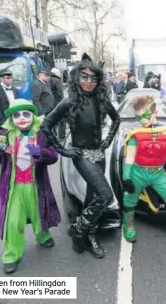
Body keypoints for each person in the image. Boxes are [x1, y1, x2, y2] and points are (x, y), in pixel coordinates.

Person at [40, 53, 120, 258]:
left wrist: (108, 140)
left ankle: (89, 237)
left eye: (93, 78)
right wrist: (63, 150)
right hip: (81, 155)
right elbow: (46, 125)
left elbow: (116, 119)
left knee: (92, 196)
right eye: (84, 77)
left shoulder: (102, 100)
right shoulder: (69, 102)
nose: (88, 81)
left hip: (99, 154)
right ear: (77, 77)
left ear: (99, 80)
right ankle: (78, 230)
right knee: (105, 195)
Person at [0, 99, 60, 274]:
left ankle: (43, 235)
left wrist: (41, 152)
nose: (22, 118)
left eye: (26, 114)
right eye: (16, 115)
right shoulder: (4, 134)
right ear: (12, 119)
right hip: (14, 186)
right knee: (13, 221)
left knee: (39, 212)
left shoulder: (42, 133)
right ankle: (11, 255)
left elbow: (54, 156)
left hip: (36, 184)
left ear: (32, 115)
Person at [122, 95, 166, 244]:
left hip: (158, 173)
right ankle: (128, 226)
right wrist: (126, 177)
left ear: (154, 113)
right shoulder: (135, 135)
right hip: (138, 172)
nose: (142, 120)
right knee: (129, 198)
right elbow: (130, 157)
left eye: (145, 115)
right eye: (138, 117)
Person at [49, 68, 66, 139]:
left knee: (52, 119)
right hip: (58, 102)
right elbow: (60, 93)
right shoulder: (57, 80)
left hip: (50, 103)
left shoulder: (48, 80)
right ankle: (61, 135)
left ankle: (53, 134)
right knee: (61, 120)